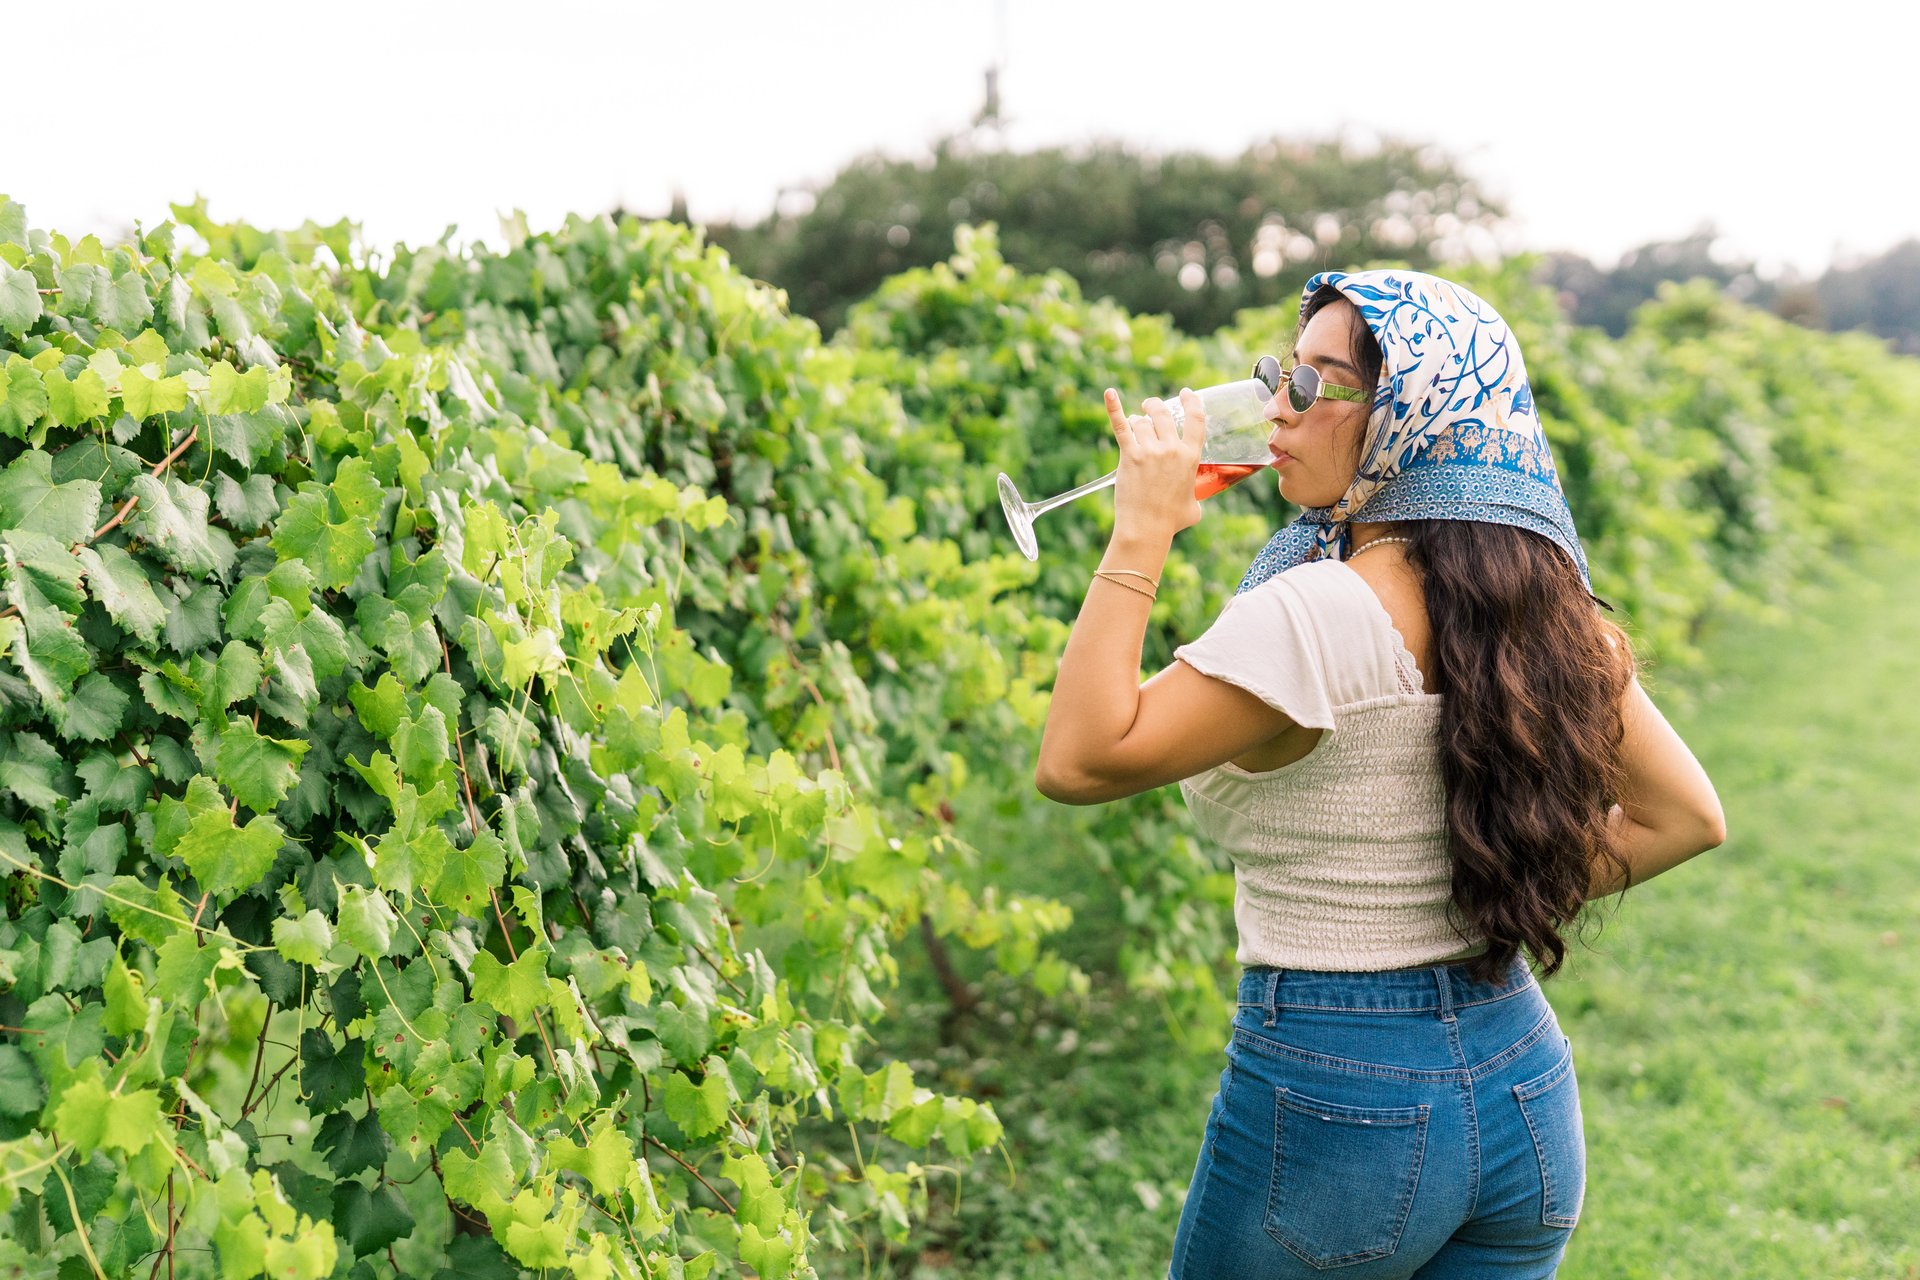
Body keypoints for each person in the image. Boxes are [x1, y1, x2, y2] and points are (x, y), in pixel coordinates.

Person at [1032, 269, 1727, 1278]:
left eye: (1317, 385)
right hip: (1520, 1079)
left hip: (1337, 1090)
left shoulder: (1316, 614)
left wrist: (1140, 528)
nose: (1275, 406)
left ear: (1407, 416)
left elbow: (1080, 758)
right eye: (1280, 374)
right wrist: (1499, 885)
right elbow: (1686, 816)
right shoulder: (1550, 613)